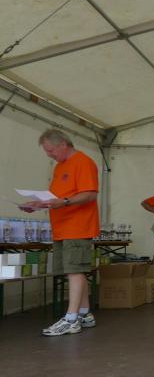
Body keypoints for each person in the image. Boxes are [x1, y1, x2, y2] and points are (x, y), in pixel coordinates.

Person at [22, 129, 99, 336]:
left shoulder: (83, 162)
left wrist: (64, 202)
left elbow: (90, 194)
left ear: (63, 144)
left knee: (75, 270)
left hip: (77, 226)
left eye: (51, 150)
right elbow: (55, 198)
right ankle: (84, 313)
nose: (49, 155)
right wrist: (38, 204)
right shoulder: (60, 167)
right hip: (62, 228)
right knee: (74, 270)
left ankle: (71, 319)